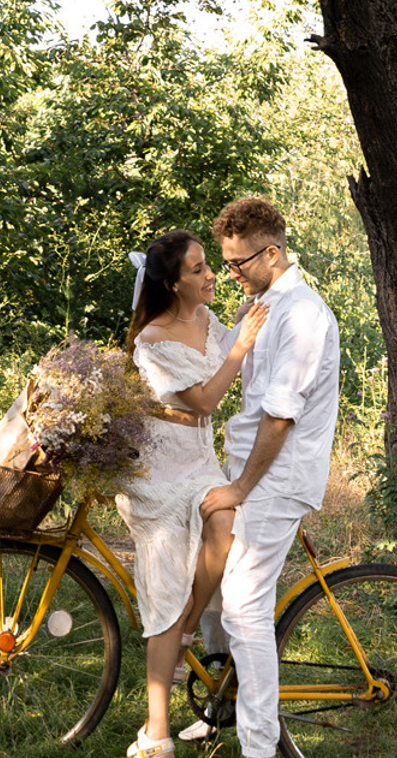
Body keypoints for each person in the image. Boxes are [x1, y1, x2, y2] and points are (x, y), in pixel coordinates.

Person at [189, 195, 341, 758]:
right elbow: (221, 368)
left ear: (271, 253)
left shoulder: (301, 314)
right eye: (224, 263)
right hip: (247, 466)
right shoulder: (262, 306)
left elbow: (279, 416)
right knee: (206, 586)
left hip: (276, 477)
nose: (230, 274)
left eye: (237, 264)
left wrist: (239, 489)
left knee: (244, 604)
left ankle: (259, 746)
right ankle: (222, 704)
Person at [120, 228, 271, 758]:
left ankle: (188, 626)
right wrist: (242, 346)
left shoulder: (207, 319)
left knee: (224, 523)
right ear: (173, 283)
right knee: (163, 589)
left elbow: (241, 353)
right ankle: (156, 732)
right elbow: (205, 401)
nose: (211, 276)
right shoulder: (153, 340)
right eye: (199, 270)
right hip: (161, 470)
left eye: (210, 266)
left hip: (200, 461)